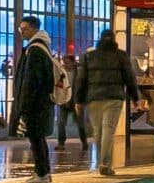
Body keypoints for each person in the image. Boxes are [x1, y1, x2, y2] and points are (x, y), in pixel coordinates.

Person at [75, 29, 140, 175]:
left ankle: (100, 162)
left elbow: (81, 80)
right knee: (108, 129)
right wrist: (135, 97)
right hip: (114, 98)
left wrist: (78, 100)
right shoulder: (121, 55)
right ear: (114, 39)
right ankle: (105, 163)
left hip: (94, 98)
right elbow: (129, 77)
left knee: (98, 131)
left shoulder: (89, 56)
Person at [12, 16, 57, 183]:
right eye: (20, 29)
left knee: (36, 138)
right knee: (38, 138)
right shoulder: (41, 47)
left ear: (33, 29)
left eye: (23, 29)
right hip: (41, 102)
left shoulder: (35, 50)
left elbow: (32, 79)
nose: (21, 32)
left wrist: (24, 103)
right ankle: (42, 172)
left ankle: (42, 173)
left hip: (35, 103)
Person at [52, 41, 87, 151]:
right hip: (64, 101)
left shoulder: (79, 72)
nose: (65, 64)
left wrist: (81, 100)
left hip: (76, 101)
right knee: (61, 123)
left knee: (80, 124)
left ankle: (84, 142)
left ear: (72, 62)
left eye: (67, 62)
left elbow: (83, 86)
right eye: (64, 62)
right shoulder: (62, 73)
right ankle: (61, 143)